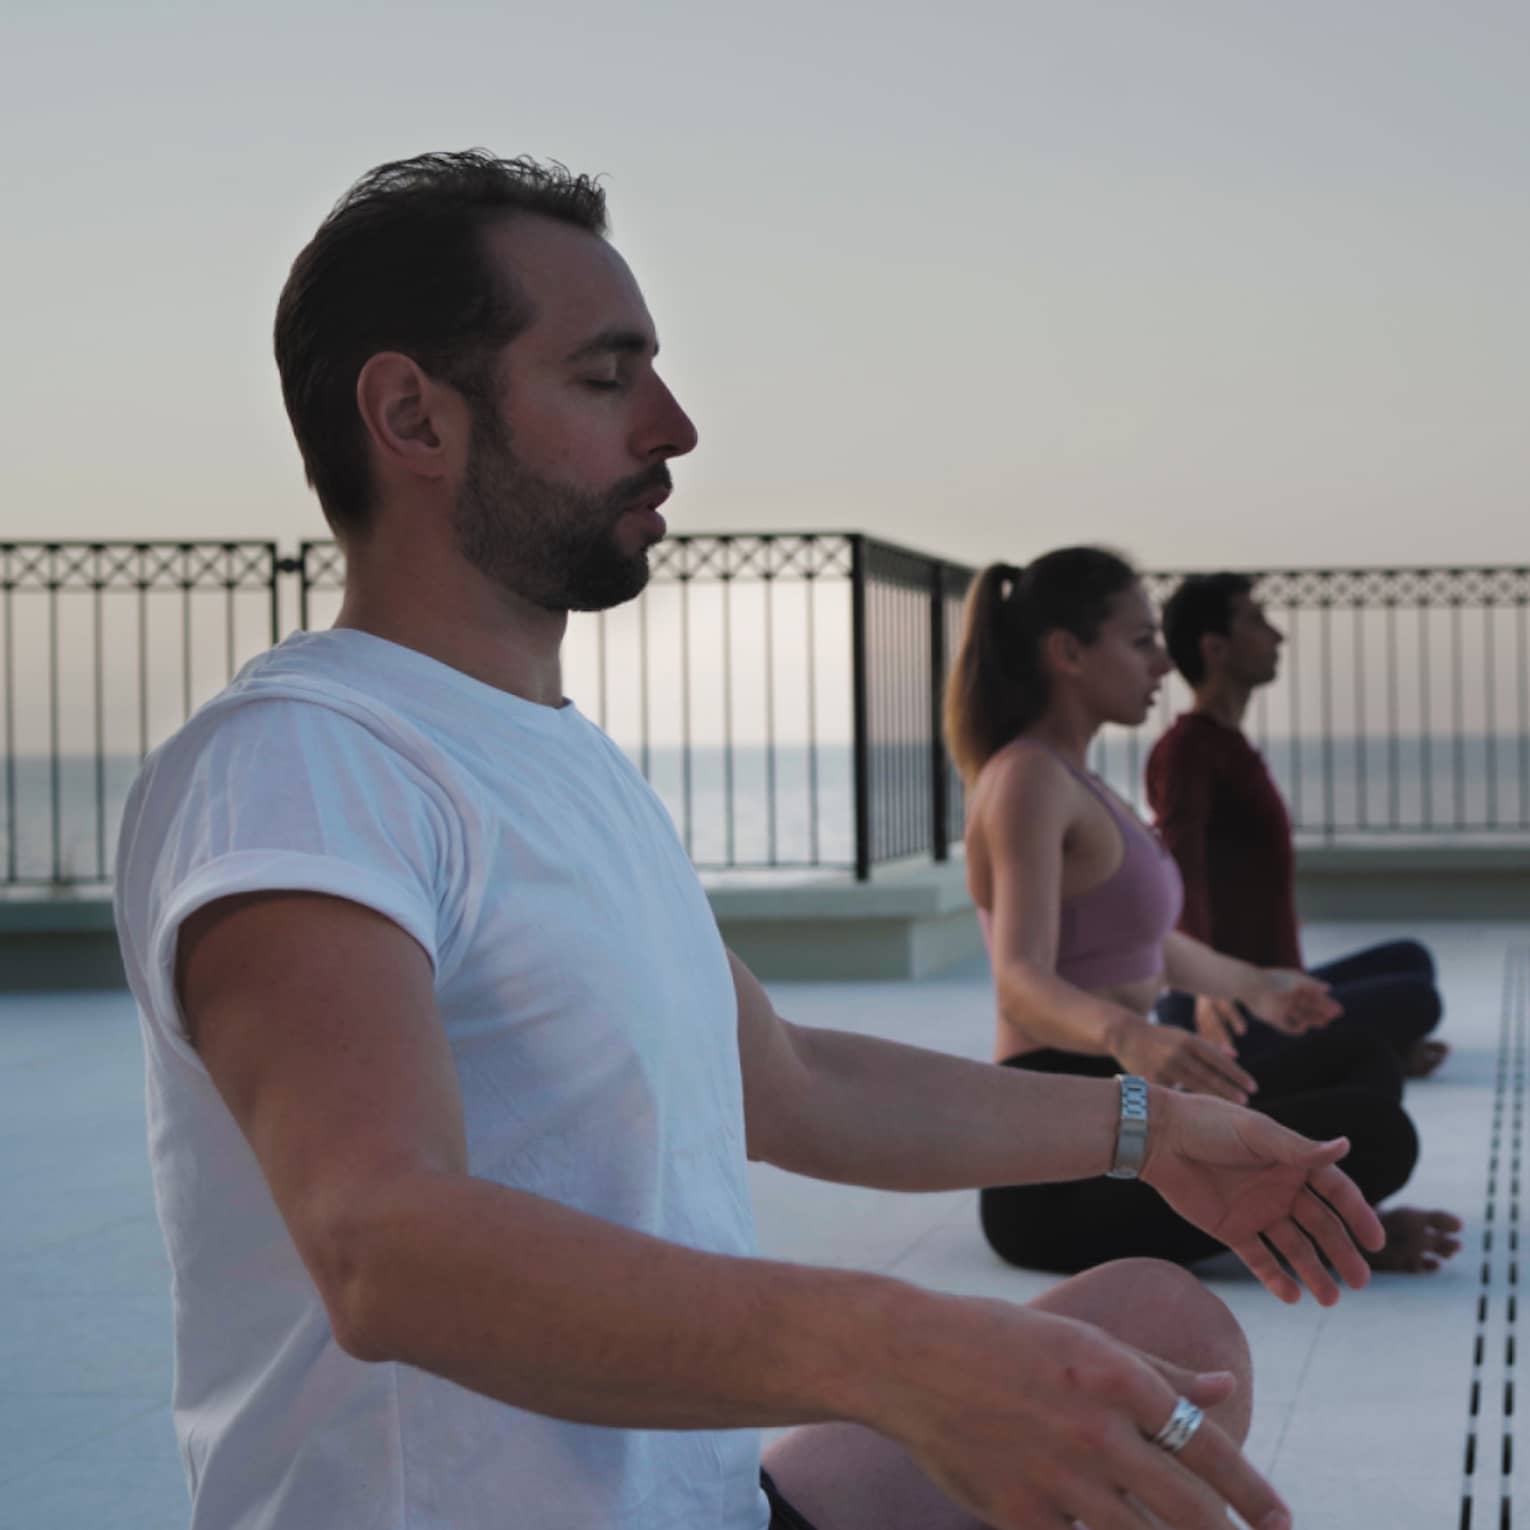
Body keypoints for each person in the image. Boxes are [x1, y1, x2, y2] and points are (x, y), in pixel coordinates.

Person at [114, 152, 1384, 1530]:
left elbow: (783, 1081)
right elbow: (382, 1245)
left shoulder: (559, 756)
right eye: (606, 379)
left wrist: (1145, 1128)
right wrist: (895, 1351)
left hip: (703, 1498)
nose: (673, 425)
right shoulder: (305, 766)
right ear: (414, 415)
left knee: (1155, 1329)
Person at [948, 550, 1456, 1279]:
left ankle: (1321, 1219)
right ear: (1068, 653)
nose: (1162, 665)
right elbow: (1019, 978)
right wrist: (1131, 1035)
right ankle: (1325, 1227)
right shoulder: (1027, 778)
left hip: (1128, 1109)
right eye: (1141, 642)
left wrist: (1257, 985)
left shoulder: (1077, 781)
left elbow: (1151, 947)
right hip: (1055, 1169)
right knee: (1375, 1131)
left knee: (1361, 1058)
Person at [1147, 572, 1449, 1083]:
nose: (1277, 636)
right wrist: (1209, 989)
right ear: (1215, 648)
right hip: (1229, 1008)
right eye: (1257, 621)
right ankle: (1331, 1053)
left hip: (1276, 985)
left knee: (1411, 959)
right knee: (1417, 998)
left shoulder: (1227, 744)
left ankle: (1344, 1046)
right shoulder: (1187, 752)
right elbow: (1179, 872)